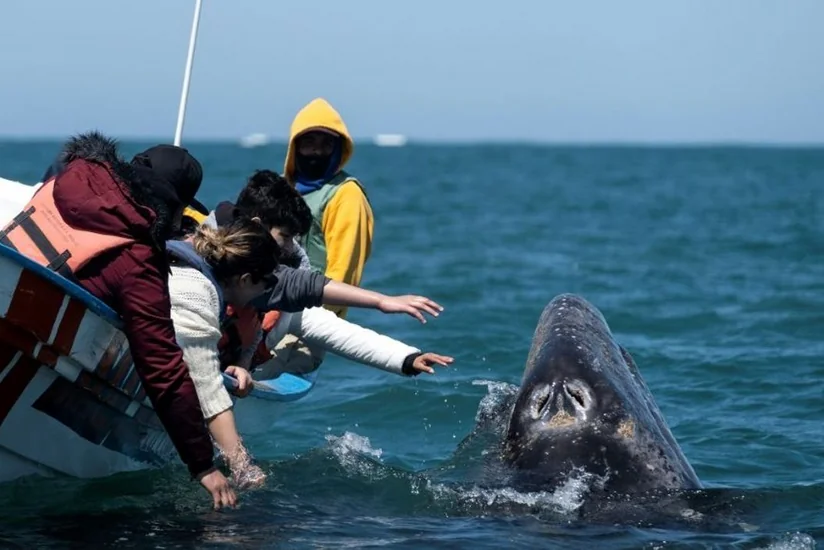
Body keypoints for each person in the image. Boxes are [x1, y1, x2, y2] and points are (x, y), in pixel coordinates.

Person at [0, 131, 235, 510]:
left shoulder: (66, 178)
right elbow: (162, 368)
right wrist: (203, 465)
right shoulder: (137, 261)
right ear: (174, 208)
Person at [164, 219, 451, 486]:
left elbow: (322, 308)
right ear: (246, 279)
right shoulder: (192, 292)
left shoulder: (237, 277)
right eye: (266, 285)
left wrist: (406, 355)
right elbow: (205, 384)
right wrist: (241, 465)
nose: (269, 293)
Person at [191, 170, 450, 378]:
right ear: (257, 226)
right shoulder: (189, 263)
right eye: (286, 237)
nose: (291, 248)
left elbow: (332, 326)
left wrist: (406, 358)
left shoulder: (273, 285)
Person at [275, 97, 374, 374]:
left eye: (325, 143)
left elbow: (344, 272)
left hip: (308, 323)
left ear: (338, 148)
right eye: (309, 143)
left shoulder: (346, 195)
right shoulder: (286, 190)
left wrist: (316, 322)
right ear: (295, 147)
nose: (316, 152)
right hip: (267, 309)